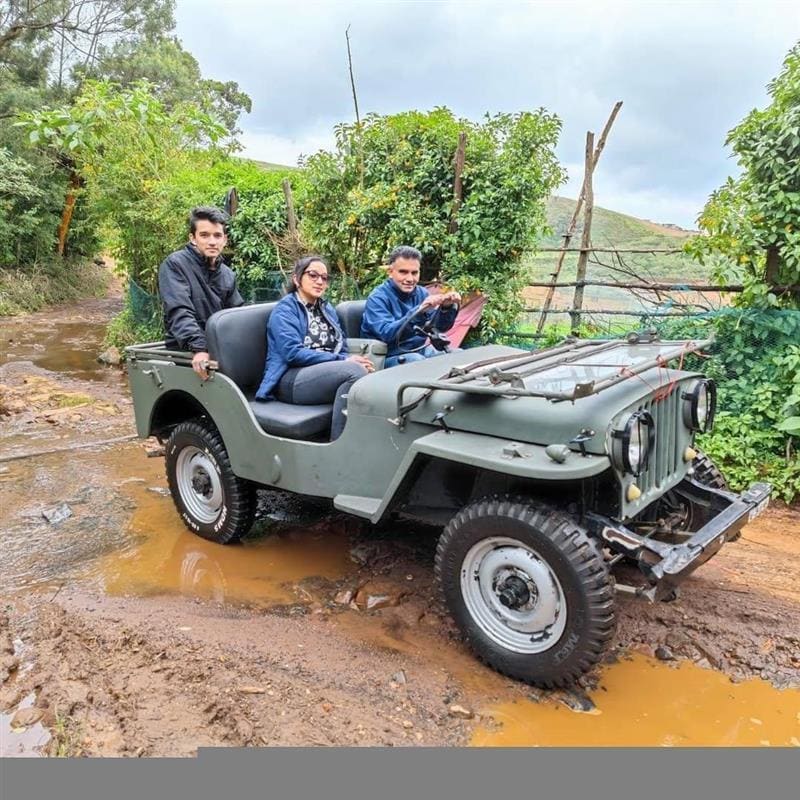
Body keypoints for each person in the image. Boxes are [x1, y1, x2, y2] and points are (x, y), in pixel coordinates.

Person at [255, 255, 374, 440]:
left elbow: (340, 344)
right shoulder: (285, 310)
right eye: (313, 275)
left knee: (370, 372)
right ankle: (340, 447)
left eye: (324, 278)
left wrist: (349, 360)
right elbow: (292, 353)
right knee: (354, 372)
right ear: (296, 279)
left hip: (320, 374)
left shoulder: (326, 309)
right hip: (290, 379)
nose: (320, 281)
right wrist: (344, 361)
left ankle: (364, 439)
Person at [158, 206, 244, 380]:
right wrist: (199, 348)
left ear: (225, 240)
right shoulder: (175, 265)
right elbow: (179, 310)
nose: (212, 241)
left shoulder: (227, 274)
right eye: (204, 235)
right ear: (193, 238)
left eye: (217, 235)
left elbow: (235, 315)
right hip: (186, 351)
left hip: (219, 351)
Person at [360, 245, 461, 368]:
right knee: (417, 363)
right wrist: (419, 311)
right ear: (390, 272)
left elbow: (438, 328)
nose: (409, 278)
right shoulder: (377, 298)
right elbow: (387, 335)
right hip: (386, 357)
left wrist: (446, 308)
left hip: (418, 351)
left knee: (457, 356)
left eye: (414, 273)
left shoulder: (421, 293)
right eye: (403, 272)